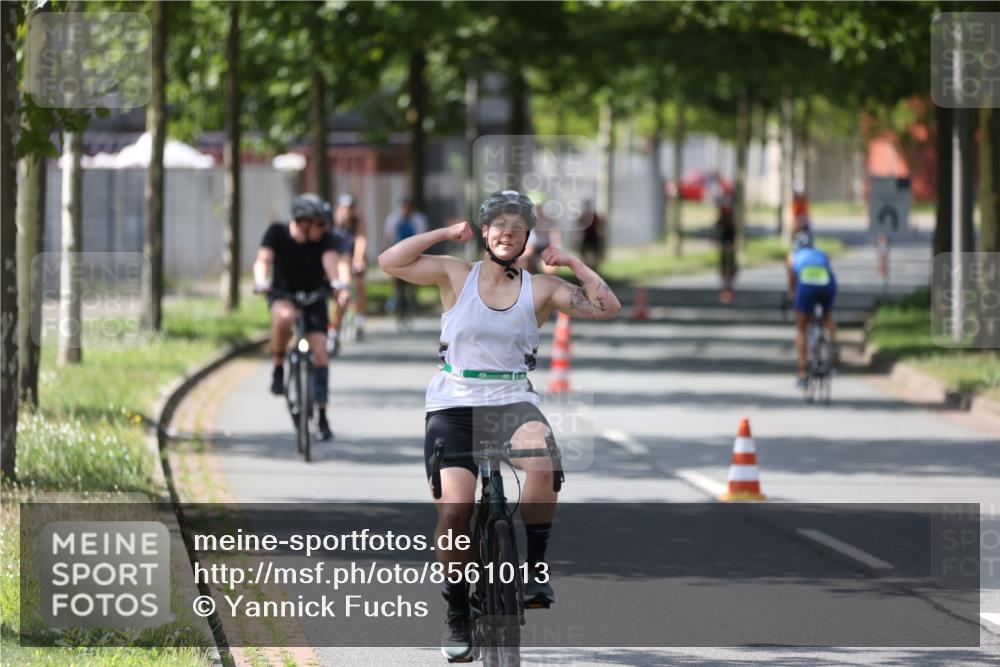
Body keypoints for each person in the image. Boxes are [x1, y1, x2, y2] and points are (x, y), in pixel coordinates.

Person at [378, 190, 621, 661]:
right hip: (453, 404)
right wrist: (447, 233)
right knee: (453, 512)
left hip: (512, 401)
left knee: (544, 464)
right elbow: (391, 260)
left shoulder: (541, 289)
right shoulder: (456, 274)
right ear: (485, 233)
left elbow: (606, 306)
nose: (507, 231)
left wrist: (572, 261)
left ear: (527, 236)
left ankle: (533, 571)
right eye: (498, 224)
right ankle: (455, 611)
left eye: (517, 225)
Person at [253, 193, 349, 441]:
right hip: (283, 294)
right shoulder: (277, 232)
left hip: (315, 297)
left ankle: (322, 415)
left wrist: (338, 284)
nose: (322, 228)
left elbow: (331, 263)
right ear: (302, 222)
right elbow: (263, 259)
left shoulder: (325, 239)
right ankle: (277, 367)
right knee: (283, 318)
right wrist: (261, 281)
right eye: (318, 223)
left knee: (319, 351)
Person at [787, 231, 838, 388]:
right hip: (827, 284)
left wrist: (792, 295)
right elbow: (829, 270)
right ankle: (835, 346)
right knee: (827, 315)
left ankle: (802, 373)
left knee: (801, 328)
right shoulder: (821, 253)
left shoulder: (792, 257)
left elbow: (792, 283)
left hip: (806, 286)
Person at [327, 194, 368, 354]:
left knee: (359, 283)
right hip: (336, 258)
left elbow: (361, 240)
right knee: (338, 294)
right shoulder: (332, 222)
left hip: (352, 255)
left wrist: (358, 259)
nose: (347, 211)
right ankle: (333, 330)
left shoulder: (357, 222)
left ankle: (359, 315)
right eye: (344, 208)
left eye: (350, 208)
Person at [383, 196, 428, 326]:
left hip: (413, 252)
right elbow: (390, 237)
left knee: (414, 279)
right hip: (397, 252)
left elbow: (421, 238)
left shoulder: (418, 219)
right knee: (396, 280)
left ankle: (413, 298)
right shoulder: (394, 219)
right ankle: (396, 299)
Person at [715, 192, 737, 304]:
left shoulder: (730, 219)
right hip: (724, 247)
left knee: (730, 268)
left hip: (729, 246)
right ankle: (725, 288)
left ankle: (728, 288)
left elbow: (733, 233)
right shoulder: (721, 219)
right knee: (725, 268)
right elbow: (717, 233)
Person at [577, 200, 605, 269]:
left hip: (593, 235)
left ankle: (593, 266)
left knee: (595, 251)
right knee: (584, 251)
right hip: (587, 235)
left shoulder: (593, 215)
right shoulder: (587, 215)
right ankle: (588, 265)